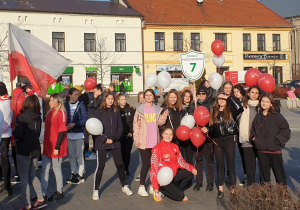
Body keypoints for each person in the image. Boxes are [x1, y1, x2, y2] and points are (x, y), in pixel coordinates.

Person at [92, 92, 133, 200]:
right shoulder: (98, 112)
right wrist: (105, 139)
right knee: (101, 166)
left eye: (112, 99)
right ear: (104, 100)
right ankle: (96, 189)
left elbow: (120, 127)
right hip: (102, 142)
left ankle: (124, 185)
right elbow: (94, 128)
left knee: (119, 164)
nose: (110, 101)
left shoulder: (116, 112)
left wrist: (114, 139)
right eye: (108, 99)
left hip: (115, 142)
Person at [202, 92, 243, 198]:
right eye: (219, 98)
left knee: (231, 165)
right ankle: (220, 189)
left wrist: (229, 97)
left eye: (223, 99)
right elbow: (212, 129)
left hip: (229, 139)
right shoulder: (213, 112)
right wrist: (207, 129)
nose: (221, 100)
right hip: (217, 141)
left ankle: (233, 189)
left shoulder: (230, 111)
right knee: (220, 165)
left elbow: (239, 108)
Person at [13, 95, 47, 210]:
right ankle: (40, 197)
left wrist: (14, 132)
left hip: (24, 150)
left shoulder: (21, 117)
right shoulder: (38, 117)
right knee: (32, 174)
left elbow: (18, 134)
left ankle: (27, 204)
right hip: (35, 150)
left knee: (24, 177)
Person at [133, 89, 168, 197]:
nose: (148, 97)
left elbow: (159, 123)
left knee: (154, 164)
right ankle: (142, 186)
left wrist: (164, 115)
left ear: (154, 97)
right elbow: (136, 125)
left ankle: (153, 186)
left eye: (150, 95)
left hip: (155, 141)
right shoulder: (140, 109)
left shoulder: (157, 108)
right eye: (146, 95)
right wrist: (136, 139)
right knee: (146, 164)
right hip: (144, 140)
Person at [250, 93, 290, 185]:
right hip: (261, 151)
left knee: (279, 175)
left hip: (274, 150)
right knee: (264, 176)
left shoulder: (277, 116)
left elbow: (286, 130)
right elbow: (253, 130)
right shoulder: (258, 116)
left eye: (267, 102)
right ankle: (266, 196)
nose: (264, 103)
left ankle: (283, 196)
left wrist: (278, 141)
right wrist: (255, 140)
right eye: (263, 101)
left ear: (271, 103)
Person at [150, 126, 197, 202]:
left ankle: (175, 190)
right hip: (163, 180)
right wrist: (155, 187)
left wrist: (191, 168)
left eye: (170, 135)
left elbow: (181, 161)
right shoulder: (157, 148)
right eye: (166, 134)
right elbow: (153, 169)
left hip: (173, 175)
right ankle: (161, 190)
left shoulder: (175, 146)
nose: (168, 136)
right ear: (162, 134)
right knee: (180, 197)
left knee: (190, 174)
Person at [41, 94, 67, 201]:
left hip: (56, 146)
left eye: (52, 101)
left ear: (58, 102)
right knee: (44, 169)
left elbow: (62, 131)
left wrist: (57, 147)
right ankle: (42, 193)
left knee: (56, 169)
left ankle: (59, 191)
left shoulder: (61, 113)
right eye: (50, 100)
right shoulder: (49, 113)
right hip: (48, 145)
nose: (50, 102)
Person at [190, 86, 215, 192]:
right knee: (198, 160)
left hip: (207, 136)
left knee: (209, 160)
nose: (201, 95)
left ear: (206, 94)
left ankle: (210, 183)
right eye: (199, 93)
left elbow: (213, 120)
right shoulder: (193, 106)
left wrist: (208, 128)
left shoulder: (210, 105)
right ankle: (199, 182)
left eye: (203, 93)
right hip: (196, 136)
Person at [65, 88, 88, 185]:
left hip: (78, 133)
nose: (76, 96)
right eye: (75, 94)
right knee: (71, 155)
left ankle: (80, 173)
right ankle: (73, 172)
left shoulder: (81, 105)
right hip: (68, 133)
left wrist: (75, 124)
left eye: (77, 94)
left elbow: (84, 119)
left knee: (79, 154)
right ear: (70, 95)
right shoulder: (65, 105)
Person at [239, 86, 261, 186]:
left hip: (260, 139)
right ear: (248, 93)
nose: (254, 95)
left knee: (262, 164)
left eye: (256, 93)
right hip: (246, 138)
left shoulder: (262, 106)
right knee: (249, 164)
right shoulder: (243, 105)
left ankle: (264, 186)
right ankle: (251, 185)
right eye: (252, 92)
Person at [117, 93, 135, 176]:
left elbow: (134, 122)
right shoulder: (116, 110)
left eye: (125, 99)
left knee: (127, 153)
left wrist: (132, 132)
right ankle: (121, 168)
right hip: (119, 136)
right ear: (118, 101)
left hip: (129, 135)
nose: (124, 101)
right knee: (120, 153)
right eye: (122, 100)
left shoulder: (130, 109)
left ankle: (126, 168)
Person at [232, 84, 247, 185]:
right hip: (239, 133)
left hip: (247, 132)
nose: (236, 93)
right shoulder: (233, 103)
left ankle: (251, 176)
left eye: (238, 91)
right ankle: (246, 175)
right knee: (243, 154)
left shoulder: (246, 101)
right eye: (234, 92)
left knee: (249, 155)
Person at [0, 82, 13, 195]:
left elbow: (6, 122)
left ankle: (7, 185)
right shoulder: (6, 101)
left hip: (3, 135)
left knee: (4, 160)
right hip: (5, 134)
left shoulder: (4, 103)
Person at [85, 84, 103, 160]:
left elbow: (94, 105)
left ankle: (96, 151)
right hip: (92, 118)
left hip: (94, 118)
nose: (94, 93)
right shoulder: (98, 97)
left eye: (95, 91)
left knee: (95, 136)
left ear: (99, 90)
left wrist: (94, 99)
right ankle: (94, 151)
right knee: (92, 136)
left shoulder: (101, 97)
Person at [135, 91, 145, 182]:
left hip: (150, 136)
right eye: (140, 98)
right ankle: (142, 173)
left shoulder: (152, 108)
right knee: (141, 157)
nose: (142, 100)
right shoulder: (137, 110)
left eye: (143, 98)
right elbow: (136, 124)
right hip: (141, 136)